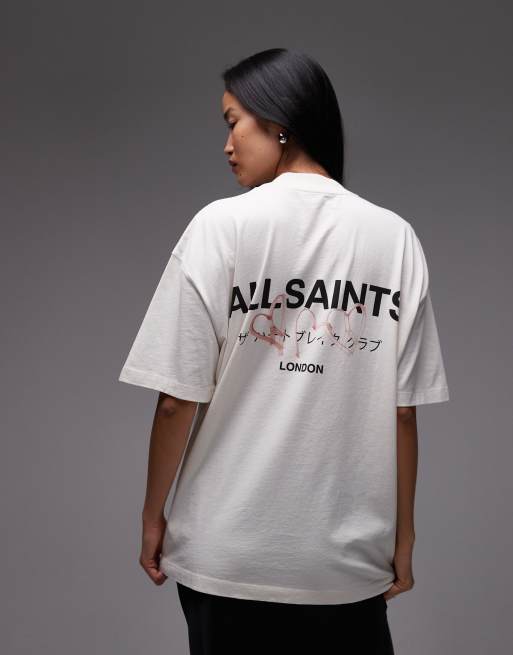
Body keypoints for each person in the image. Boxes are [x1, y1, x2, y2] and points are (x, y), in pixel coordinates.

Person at [118, 48, 450, 654]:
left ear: (279, 122)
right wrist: (403, 540)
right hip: (345, 564)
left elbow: (176, 401)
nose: (227, 145)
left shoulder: (220, 227)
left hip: (227, 554)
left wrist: (151, 517)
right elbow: (403, 412)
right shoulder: (395, 238)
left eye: (233, 122)